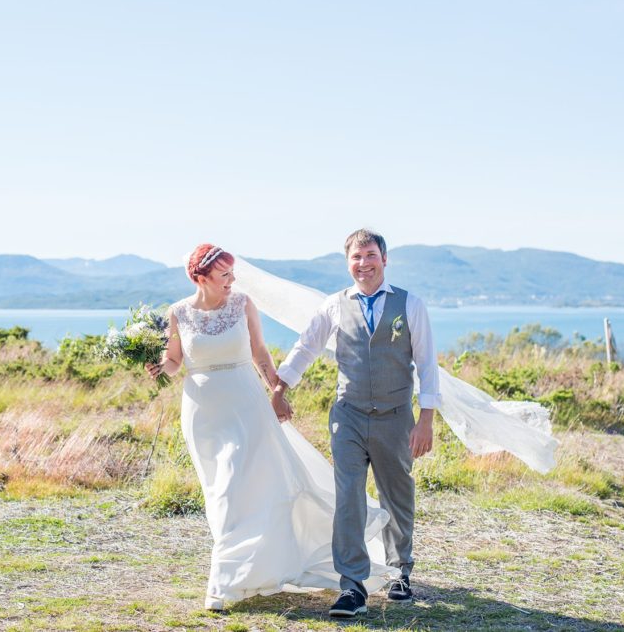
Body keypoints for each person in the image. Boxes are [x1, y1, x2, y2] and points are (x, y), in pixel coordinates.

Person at [146, 243, 396, 611]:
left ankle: (223, 584)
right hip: (203, 413)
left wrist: (276, 390)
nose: (231, 281)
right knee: (219, 493)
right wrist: (158, 369)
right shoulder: (178, 312)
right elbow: (174, 362)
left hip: (246, 405)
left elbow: (261, 353)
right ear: (200, 278)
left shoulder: (243, 303)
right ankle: (249, 573)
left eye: (233, 273)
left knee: (241, 485)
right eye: (223, 275)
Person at [270, 228, 440, 618]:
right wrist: (281, 387)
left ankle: (399, 571)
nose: (363, 264)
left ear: (384, 259)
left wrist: (426, 419)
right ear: (347, 263)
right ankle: (352, 585)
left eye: (370, 255)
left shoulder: (410, 305)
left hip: (396, 418)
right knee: (347, 498)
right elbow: (306, 346)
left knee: (397, 493)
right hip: (347, 416)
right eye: (356, 257)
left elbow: (428, 364)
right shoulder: (334, 305)